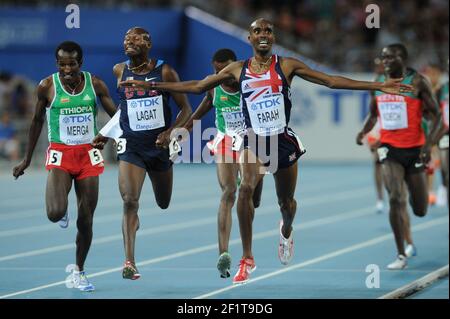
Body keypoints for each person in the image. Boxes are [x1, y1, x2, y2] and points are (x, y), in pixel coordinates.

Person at [120, 19, 412, 284]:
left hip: (282, 140)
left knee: (287, 202)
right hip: (253, 140)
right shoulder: (237, 68)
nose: (263, 35)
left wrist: (378, 85)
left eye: (268, 31)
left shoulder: (287, 65)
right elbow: (198, 87)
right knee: (244, 189)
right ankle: (247, 257)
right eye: (257, 31)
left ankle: (286, 229)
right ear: (249, 38)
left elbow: (332, 81)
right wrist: (150, 83)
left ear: (273, 37)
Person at [12, 41, 117, 291]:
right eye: (62, 64)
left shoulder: (96, 84)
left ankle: (79, 271)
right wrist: (26, 159)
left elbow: (117, 116)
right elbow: (37, 121)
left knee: (87, 219)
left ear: (81, 63)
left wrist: (106, 135)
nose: (67, 69)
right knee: (55, 213)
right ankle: (62, 206)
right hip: (60, 152)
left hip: (88, 153)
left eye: (72, 64)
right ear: (56, 64)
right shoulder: (47, 86)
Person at [93, 27, 192, 280]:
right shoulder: (119, 70)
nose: (129, 42)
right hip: (131, 147)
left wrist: (170, 132)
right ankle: (129, 262)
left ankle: (134, 221)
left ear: (148, 43)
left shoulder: (165, 71)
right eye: (126, 39)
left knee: (163, 202)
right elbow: (124, 111)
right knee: (129, 200)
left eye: (135, 39)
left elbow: (185, 110)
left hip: (159, 148)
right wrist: (106, 133)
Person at [173, 48, 263, 278]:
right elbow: (200, 112)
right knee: (229, 191)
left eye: (224, 69)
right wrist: (182, 131)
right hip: (225, 141)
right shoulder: (214, 88)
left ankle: (247, 247)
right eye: (216, 70)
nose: (220, 73)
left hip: (252, 141)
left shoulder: (250, 85)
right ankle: (223, 254)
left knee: (251, 195)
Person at [356, 44, 442, 270]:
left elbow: (437, 116)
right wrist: (364, 131)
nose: (384, 61)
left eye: (389, 57)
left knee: (420, 209)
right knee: (395, 197)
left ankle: (415, 200)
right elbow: (374, 114)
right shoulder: (379, 82)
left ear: (402, 58)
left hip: (415, 150)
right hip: (389, 149)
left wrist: (428, 145)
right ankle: (400, 253)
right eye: (382, 57)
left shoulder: (417, 82)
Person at [435, 75, 448, 207]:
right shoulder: (442, 89)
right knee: (444, 165)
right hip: (446, 133)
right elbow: (436, 111)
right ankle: (444, 187)